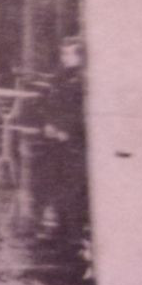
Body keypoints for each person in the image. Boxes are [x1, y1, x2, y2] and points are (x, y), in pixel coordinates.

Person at [29, 36, 89, 259]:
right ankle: (58, 232)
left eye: (69, 54)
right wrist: (47, 124)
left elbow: (81, 111)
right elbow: (48, 104)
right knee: (52, 185)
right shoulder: (59, 77)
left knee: (72, 190)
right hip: (54, 140)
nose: (65, 58)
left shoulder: (82, 80)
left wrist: (66, 130)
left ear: (79, 56)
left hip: (73, 142)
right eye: (63, 54)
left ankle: (73, 237)